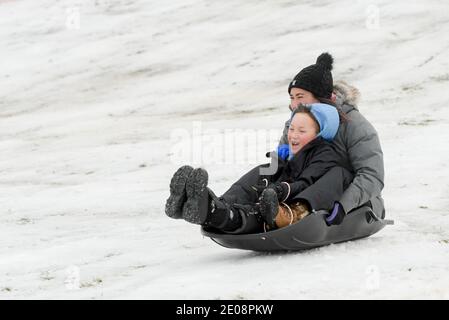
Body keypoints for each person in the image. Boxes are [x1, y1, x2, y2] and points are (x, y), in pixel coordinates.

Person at [165, 103, 352, 233]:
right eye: (292, 129)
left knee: (253, 214)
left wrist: (280, 190)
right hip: (273, 196)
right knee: (261, 172)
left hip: (287, 204)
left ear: (319, 134)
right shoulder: (287, 155)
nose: (293, 135)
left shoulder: (325, 154)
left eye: (302, 131)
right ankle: (200, 202)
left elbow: (306, 182)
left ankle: (212, 210)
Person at [277, 53, 385, 224]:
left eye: (300, 97)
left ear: (320, 97)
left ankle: (296, 212)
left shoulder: (356, 126)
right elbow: (282, 164)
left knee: (336, 173)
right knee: (267, 169)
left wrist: (343, 205)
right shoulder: (295, 122)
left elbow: (372, 175)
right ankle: (231, 209)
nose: (295, 105)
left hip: (348, 198)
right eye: (292, 98)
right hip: (301, 188)